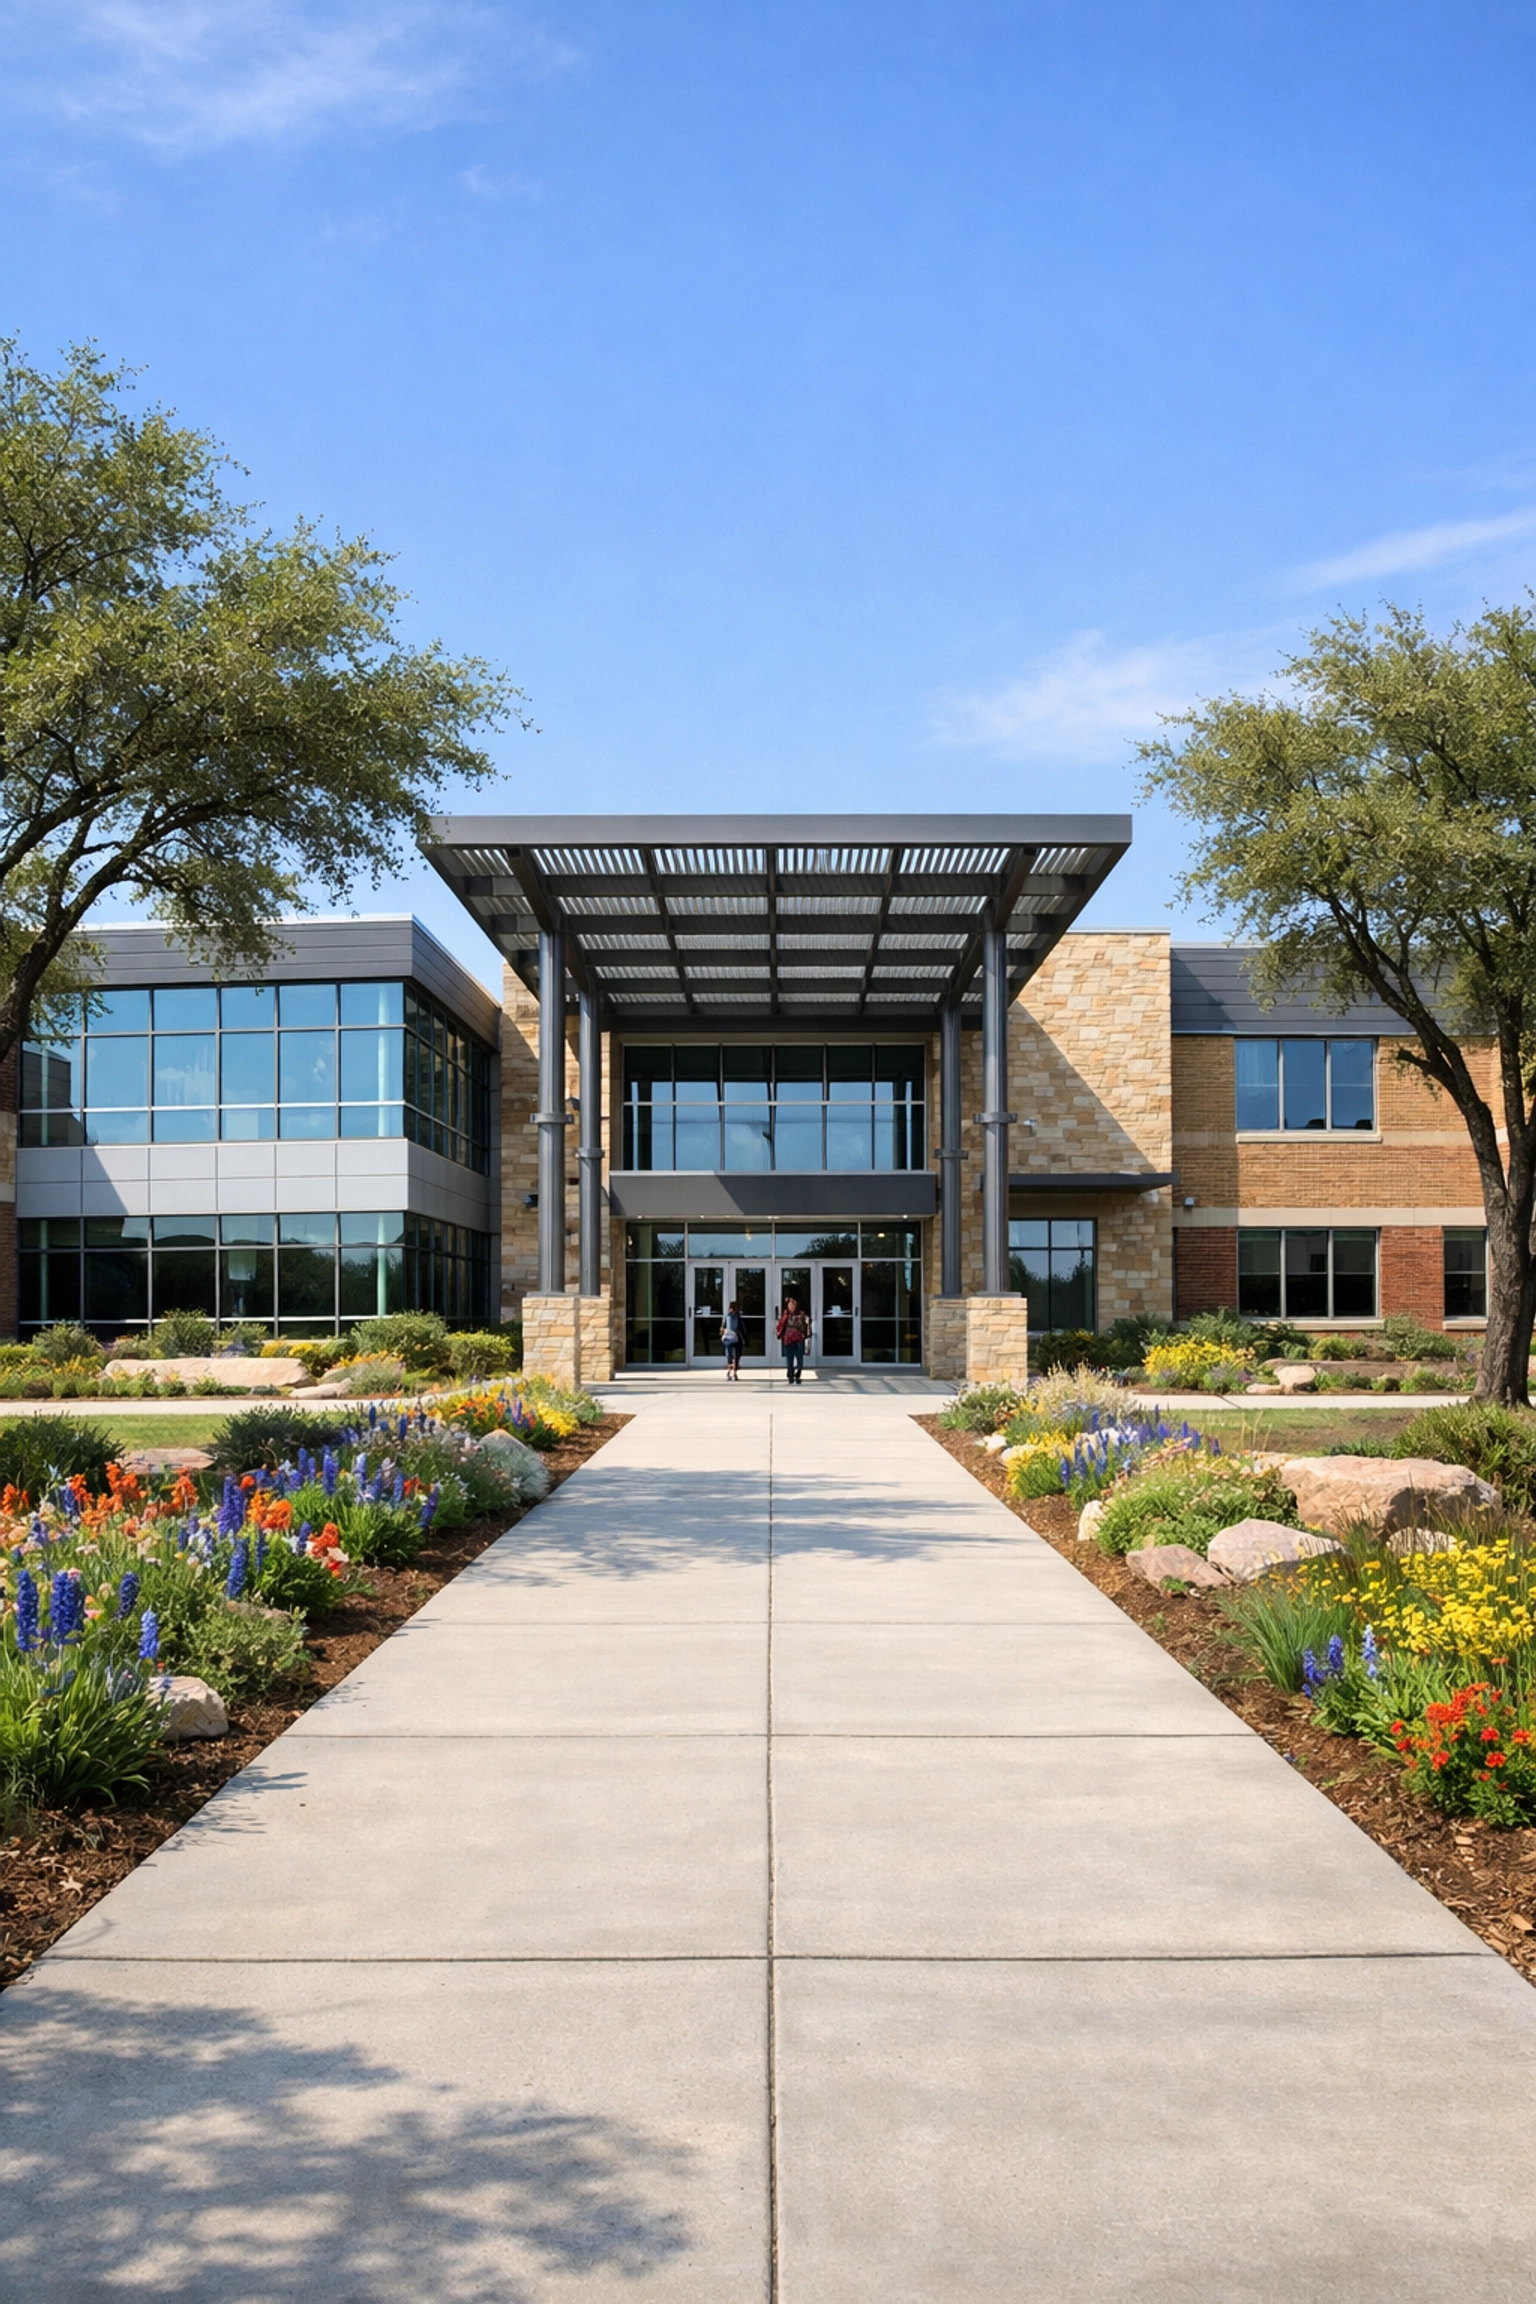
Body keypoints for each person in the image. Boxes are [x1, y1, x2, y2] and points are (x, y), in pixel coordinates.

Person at [776, 1294, 810, 1385]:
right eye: (790, 1305)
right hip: (788, 1340)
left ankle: (798, 1375)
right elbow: (780, 1325)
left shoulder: (801, 1315)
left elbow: (805, 1326)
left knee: (800, 1360)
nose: (791, 1307)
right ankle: (790, 1375)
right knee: (789, 1360)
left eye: (793, 1305)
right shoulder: (785, 1315)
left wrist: (805, 1334)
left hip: (799, 1339)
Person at [721, 1299, 743, 1381]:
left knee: (730, 1356)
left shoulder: (728, 1316)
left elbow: (723, 1327)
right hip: (736, 1339)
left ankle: (730, 1371)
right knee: (736, 1356)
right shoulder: (738, 1317)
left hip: (728, 1339)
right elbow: (741, 1328)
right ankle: (734, 1372)